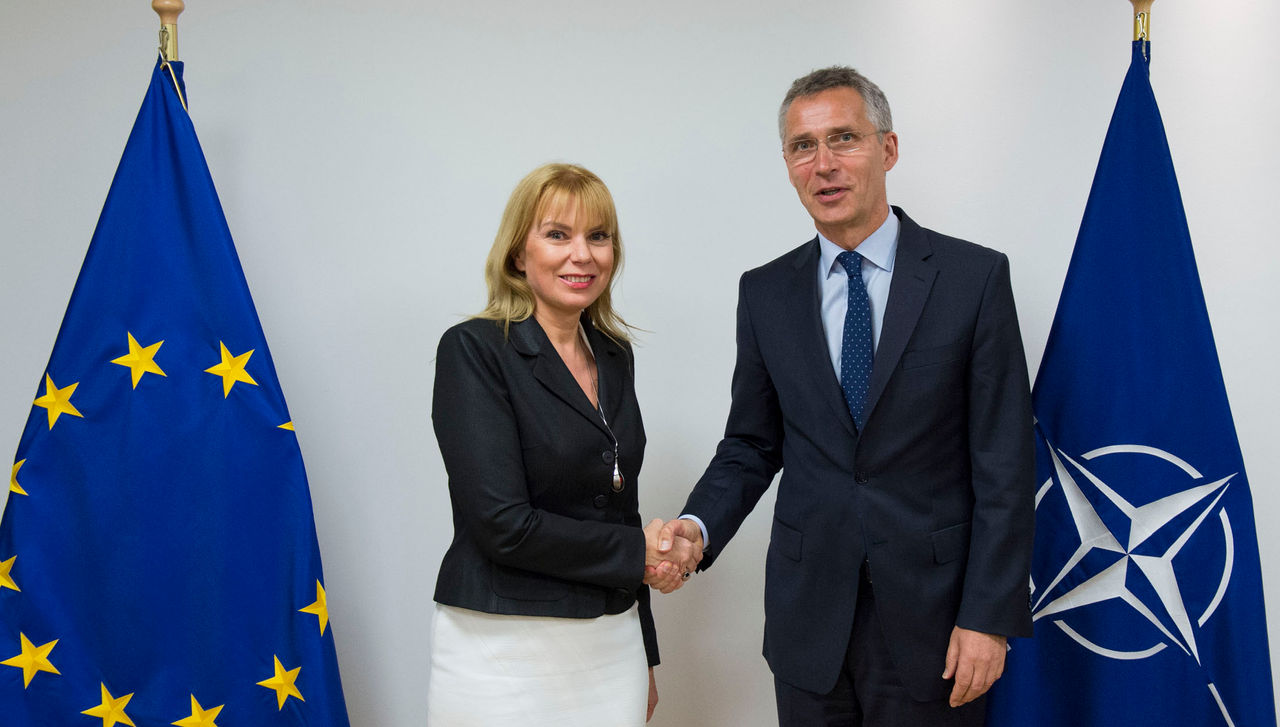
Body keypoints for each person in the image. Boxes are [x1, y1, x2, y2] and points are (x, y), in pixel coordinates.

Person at [657, 66, 1035, 725]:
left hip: (939, 625)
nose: (824, 164)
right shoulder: (766, 292)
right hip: (810, 626)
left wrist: (989, 616)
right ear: (787, 163)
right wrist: (695, 526)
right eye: (804, 146)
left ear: (887, 148)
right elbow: (751, 443)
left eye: (844, 138)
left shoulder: (973, 280)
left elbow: (1005, 464)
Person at [427, 163, 699, 726]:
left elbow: (623, 509)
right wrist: (638, 555)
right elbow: (501, 523)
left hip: (611, 643)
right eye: (557, 235)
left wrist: (644, 653)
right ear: (518, 254)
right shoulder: (474, 349)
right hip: (503, 646)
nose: (583, 255)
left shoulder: (614, 355)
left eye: (598, 237)